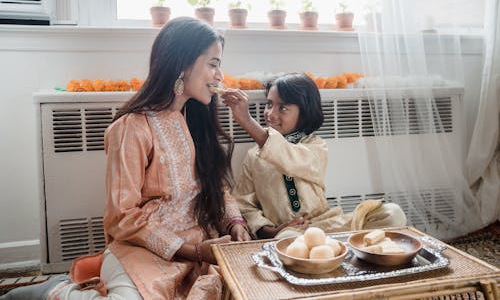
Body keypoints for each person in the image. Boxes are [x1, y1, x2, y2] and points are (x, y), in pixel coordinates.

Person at [2, 17, 250, 300]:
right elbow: (122, 217)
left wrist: (235, 223)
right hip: (143, 250)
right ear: (183, 63)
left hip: (200, 246)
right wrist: (191, 251)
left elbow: (217, 187)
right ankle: (54, 291)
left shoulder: (196, 120)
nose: (220, 76)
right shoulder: (132, 127)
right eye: (213, 64)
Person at [221, 72, 407, 239]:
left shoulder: (316, 146)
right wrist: (269, 230)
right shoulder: (253, 156)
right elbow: (244, 204)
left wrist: (247, 121)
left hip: (327, 226)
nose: (270, 113)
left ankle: (337, 249)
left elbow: (289, 157)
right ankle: (330, 252)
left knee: (393, 213)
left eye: (283, 107)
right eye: (269, 104)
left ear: (304, 112)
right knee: (284, 240)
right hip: (289, 232)